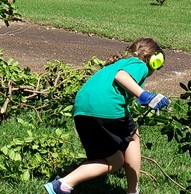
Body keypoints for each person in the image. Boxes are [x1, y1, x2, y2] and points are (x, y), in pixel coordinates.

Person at [44, 37, 170, 194]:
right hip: (107, 108)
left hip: (82, 109)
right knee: (133, 136)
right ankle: (133, 191)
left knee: (114, 161)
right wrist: (144, 95)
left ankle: (63, 184)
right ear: (154, 60)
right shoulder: (139, 65)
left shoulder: (117, 64)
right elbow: (121, 76)